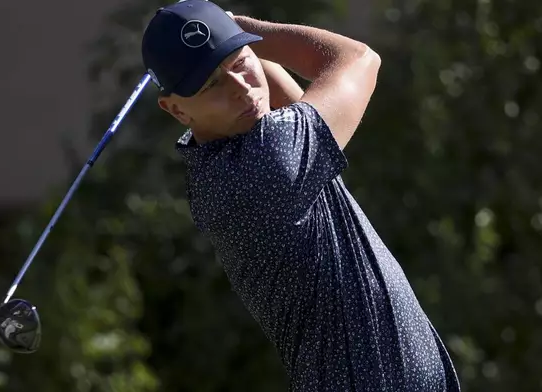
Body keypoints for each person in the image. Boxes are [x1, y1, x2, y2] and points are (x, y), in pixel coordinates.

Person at [141, 1, 461, 391]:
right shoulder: (266, 164)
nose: (242, 88)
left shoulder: (227, 158)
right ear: (175, 110)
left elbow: (295, 105)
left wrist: (230, 40)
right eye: (212, 84)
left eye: (241, 63)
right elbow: (358, 58)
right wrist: (243, 27)